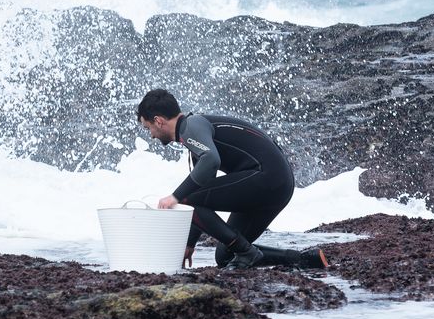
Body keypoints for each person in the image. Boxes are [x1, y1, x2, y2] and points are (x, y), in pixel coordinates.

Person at [136, 89, 328, 270]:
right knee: (226, 255)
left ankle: (248, 252)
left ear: (159, 121)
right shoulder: (195, 136)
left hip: (267, 178)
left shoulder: (192, 126)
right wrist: (189, 243)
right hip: (278, 185)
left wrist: (175, 197)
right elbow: (204, 193)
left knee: (186, 199)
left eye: (148, 128)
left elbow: (210, 163)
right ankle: (303, 259)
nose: (151, 135)